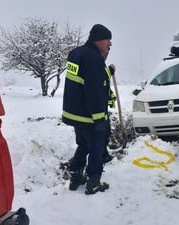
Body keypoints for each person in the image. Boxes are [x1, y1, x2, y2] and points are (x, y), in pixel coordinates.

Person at [62, 24, 114, 195]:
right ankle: (94, 182)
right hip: (89, 115)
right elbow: (95, 90)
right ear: (99, 40)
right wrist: (100, 119)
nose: (110, 44)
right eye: (108, 39)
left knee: (82, 144)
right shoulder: (94, 59)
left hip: (75, 113)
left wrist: (107, 71)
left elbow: (87, 78)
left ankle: (76, 177)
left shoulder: (76, 53)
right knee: (96, 148)